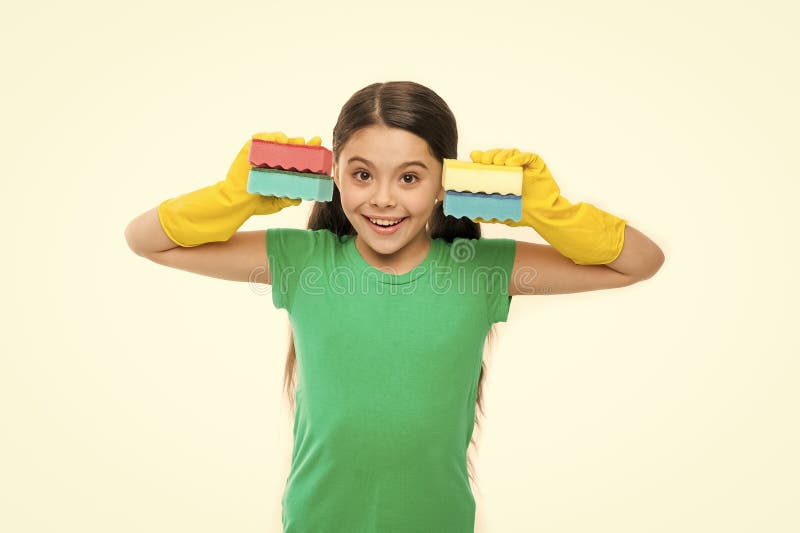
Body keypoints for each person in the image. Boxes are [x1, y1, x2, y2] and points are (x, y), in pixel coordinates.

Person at [124, 81, 665, 532]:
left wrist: (552, 213)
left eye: (409, 177)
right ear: (334, 176)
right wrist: (233, 196)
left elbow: (638, 262)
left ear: (443, 185)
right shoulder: (302, 262)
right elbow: (148, 240)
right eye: (362, 175)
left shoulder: (480, 270)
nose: (383, 198)